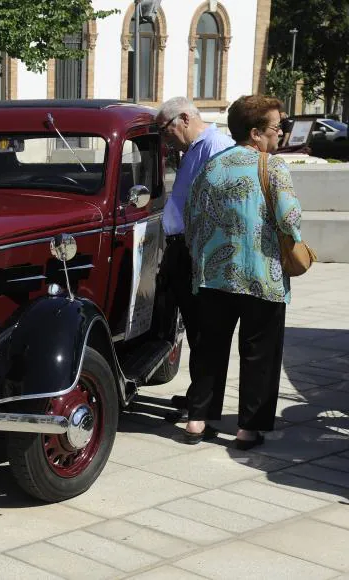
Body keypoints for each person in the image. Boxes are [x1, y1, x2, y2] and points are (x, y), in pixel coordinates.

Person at [184, 95, 302, 449]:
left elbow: (191, 217)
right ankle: (247, 429)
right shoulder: (273, 167)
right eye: (275, 127)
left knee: (209, 349)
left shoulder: (212, 166)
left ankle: (196, 421)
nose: (280, 133)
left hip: (213, 275)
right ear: (255, 132)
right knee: (259, 352)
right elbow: (290, 219)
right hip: (260, 275)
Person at [155, 97, 234, 422]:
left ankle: (204, 408)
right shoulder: (194, 148)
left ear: (184, 119)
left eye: (165, 129)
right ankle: (196, 397)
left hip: (199, 249)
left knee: (206, 332)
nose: (165, 138)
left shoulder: (214, 144)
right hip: (183, 247)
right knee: (193, 328)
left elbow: (221, 200)